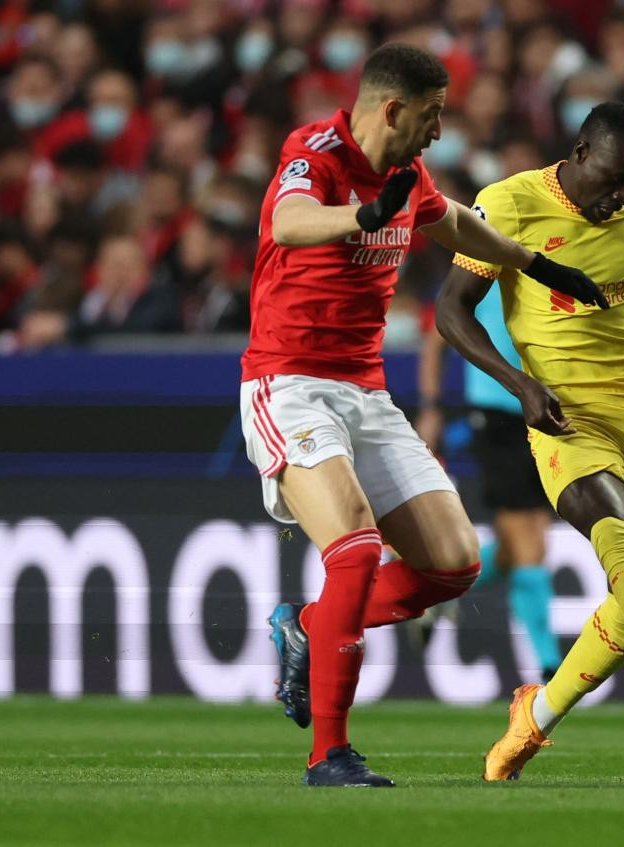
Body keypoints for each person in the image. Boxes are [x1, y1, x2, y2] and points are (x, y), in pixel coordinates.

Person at [242, 43, 605, 789]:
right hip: (291, 383)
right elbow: (289, 222)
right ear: (393, 109)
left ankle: (310, 626)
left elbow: (457, 225)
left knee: (453, 563)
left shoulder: (412, 176)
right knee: (354, 551)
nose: (440, 129)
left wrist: (535, 264)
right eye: (433, 114)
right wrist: (359, 215)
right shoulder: (316, 151)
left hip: (367, 392)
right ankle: (329, 754)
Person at [436, 102, 624, 783]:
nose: (618, 198)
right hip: (566, 411)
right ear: (578, 151)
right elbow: (449, 310)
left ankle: (535, 715)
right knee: (617, 540)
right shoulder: (509, 204)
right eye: (610, 181)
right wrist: (518, 383)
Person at [416, 307, 562, 682]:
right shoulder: (482, 263)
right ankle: (550, 665)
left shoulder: (543, 261)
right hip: (497, 414)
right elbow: (437, 335)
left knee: (518, 547)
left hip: (545, 411)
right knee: (529, 538)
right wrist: (432, 407)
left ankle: (437, 587)